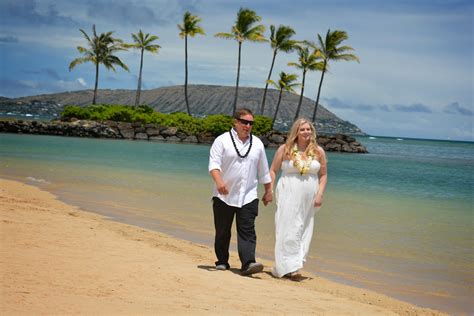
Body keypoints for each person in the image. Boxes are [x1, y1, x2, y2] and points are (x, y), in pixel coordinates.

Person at [208, 108, 273, 276]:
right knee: (222, 230)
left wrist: (268, 191)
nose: (248, 126)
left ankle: (248, 262)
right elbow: (214, 166)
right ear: (235, 122)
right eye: (244, 122)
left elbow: (264, 170)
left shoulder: (257, 143)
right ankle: (222, 261)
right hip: (224, 195)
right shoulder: (221, 141)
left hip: (249, 195)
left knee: (247, 229)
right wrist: (219, 182)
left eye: (251, 123)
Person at [269, 118, 328, 278]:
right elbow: (273, 170)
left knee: (304, 227)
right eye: (302, 129)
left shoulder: (318, 152)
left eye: (308, 129)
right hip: (288, 192)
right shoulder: (285, 149)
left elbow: (323, 175)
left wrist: (320, 194)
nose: (306, 132)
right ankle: (286, 266)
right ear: (296, 131)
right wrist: (270, 190)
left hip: (309, 196)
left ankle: (295, 263)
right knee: (287, 227)